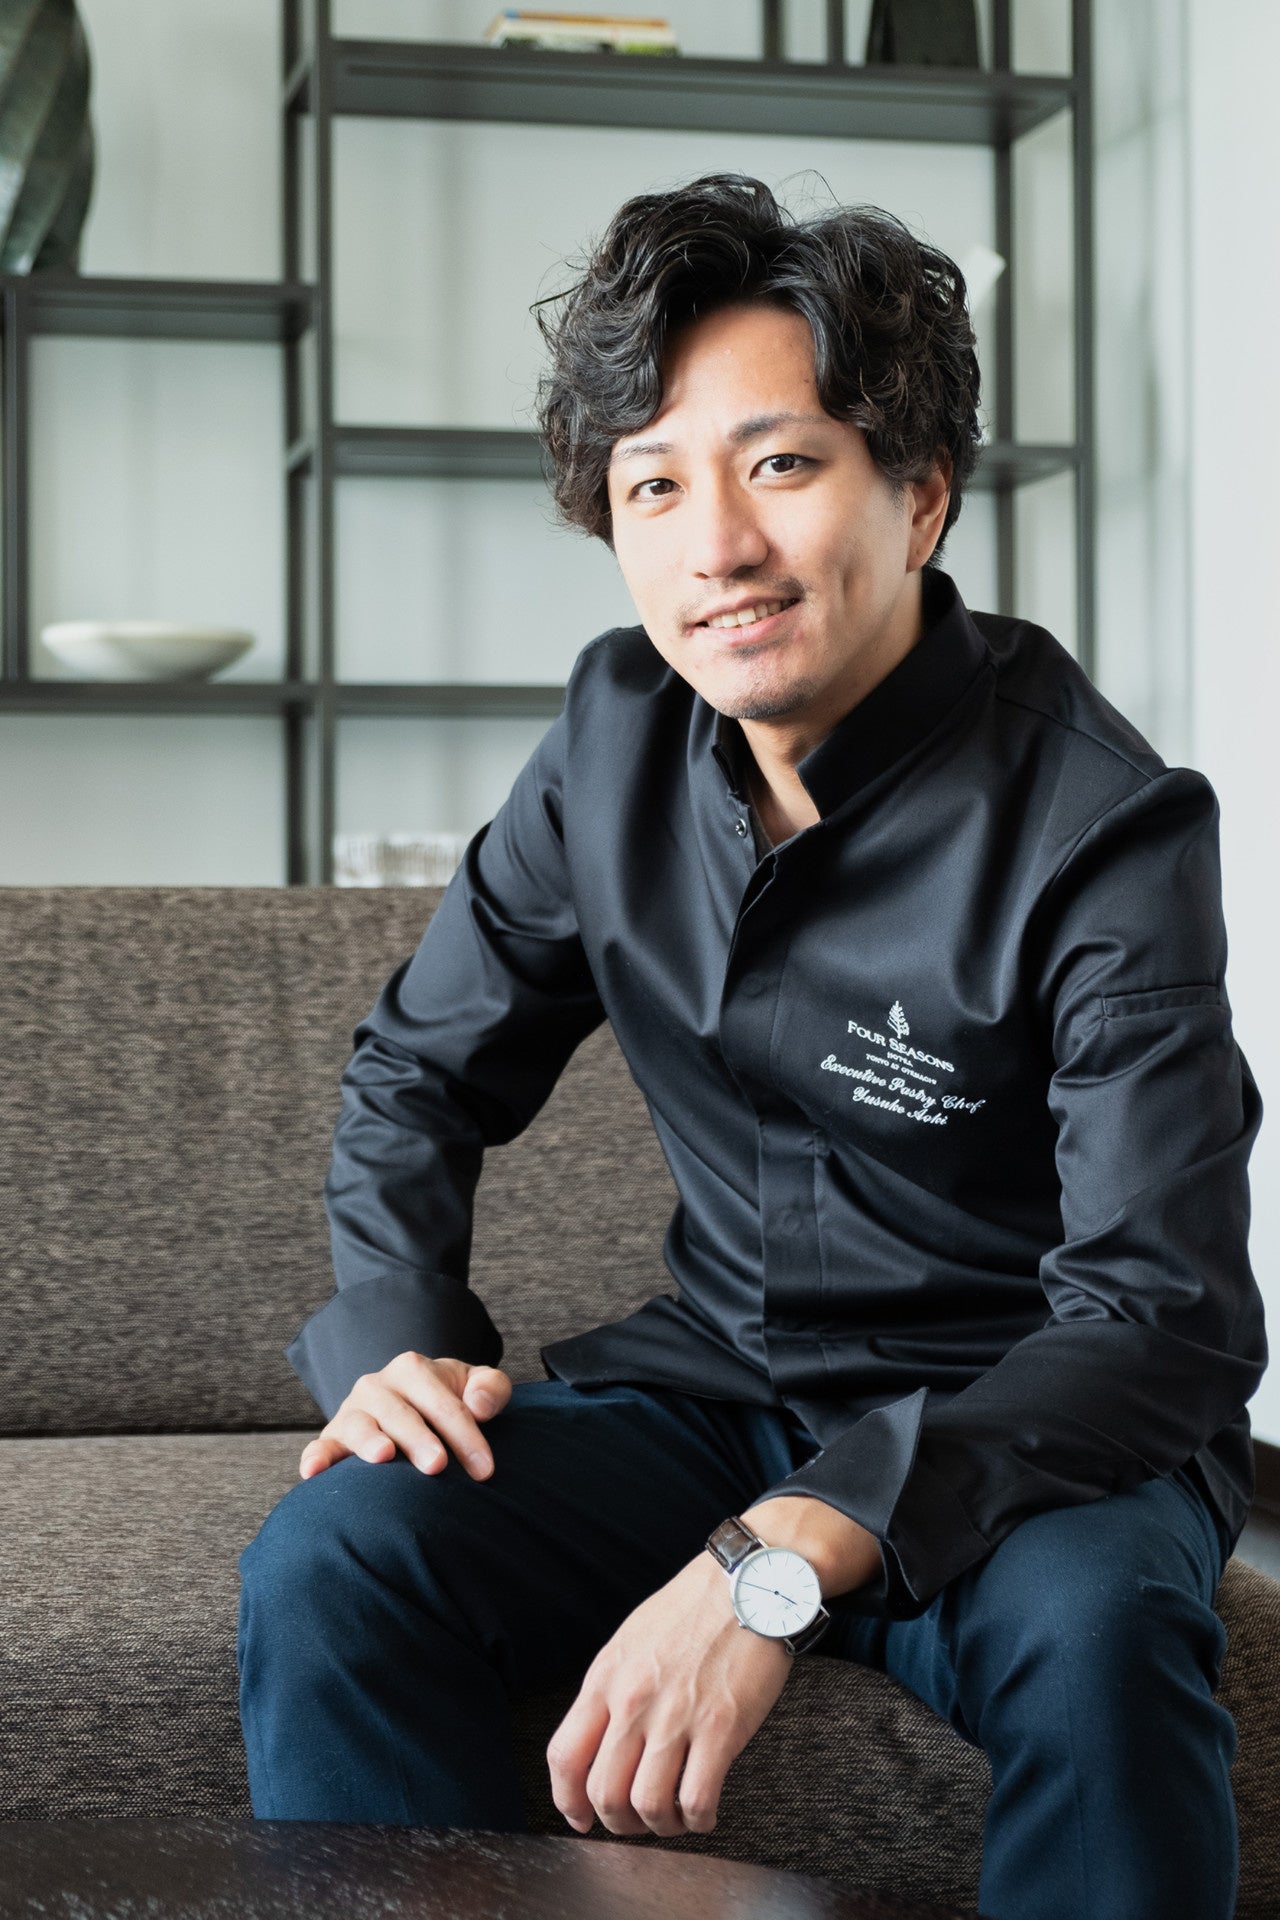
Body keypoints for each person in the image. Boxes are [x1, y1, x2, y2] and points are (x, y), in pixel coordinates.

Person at [236, 172, 1266, 1920]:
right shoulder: (611, 740)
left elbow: (1164, 1317)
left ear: (919, 494)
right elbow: (420, 1070)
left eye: (780, 465)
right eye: (654, 485)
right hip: (718, 1394)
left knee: (1102, 1637)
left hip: (1027, 1434)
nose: (715, 547)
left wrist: (781, 1556)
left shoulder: (1105, 827)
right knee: (345, 1547)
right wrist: (394, 1340)